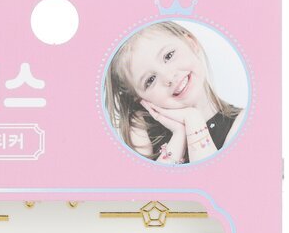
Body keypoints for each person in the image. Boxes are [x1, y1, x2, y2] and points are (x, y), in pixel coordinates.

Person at [105, 21, 245, 164]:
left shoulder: (242, 124)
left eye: (168, 56)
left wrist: (193, 120)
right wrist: (179, 135)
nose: (169, 77)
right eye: (150, 80)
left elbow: (210, 176)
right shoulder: (140, 127)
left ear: (191, 43)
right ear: (138, 97)